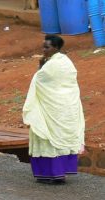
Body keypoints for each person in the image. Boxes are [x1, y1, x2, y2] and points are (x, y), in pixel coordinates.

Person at [22, 34, 85, 184]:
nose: (43, 49)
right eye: (43, 46)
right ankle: (60, 174)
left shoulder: (51, 65)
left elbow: (39, 80)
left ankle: (48, 174)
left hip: (51, 108)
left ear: (55, 48)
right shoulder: (67, 62)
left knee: (47, 138)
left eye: (47, 47)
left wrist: (41, 66)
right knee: (60, 138)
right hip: (66, 107)